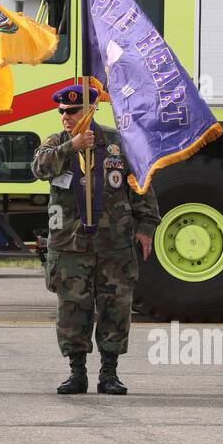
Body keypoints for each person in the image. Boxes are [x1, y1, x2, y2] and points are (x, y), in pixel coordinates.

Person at [32, 83, 158, 395]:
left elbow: (140, 186)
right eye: (61, 111)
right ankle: (76, 372)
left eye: (72, 111)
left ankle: (109, 373)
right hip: (70, 245)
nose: (65, 116)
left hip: (113, 244)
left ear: (90, 109)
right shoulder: (56, 143)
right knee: (73, 308)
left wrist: (146, 228)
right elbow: (39, 169)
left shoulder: (117, 144)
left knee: (115, 307)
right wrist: (70, 147)